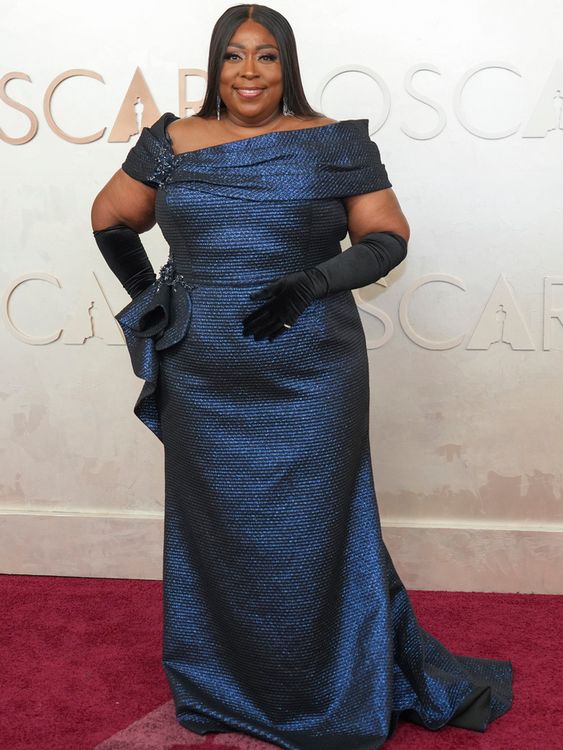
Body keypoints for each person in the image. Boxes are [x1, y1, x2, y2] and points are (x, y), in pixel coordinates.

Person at [90, 5, 513, 749]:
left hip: (310, 377)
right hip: (202, 380)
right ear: (213, 65)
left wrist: (310, 285)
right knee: (217, 534)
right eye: (232, 56)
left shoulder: (333, 142)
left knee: (312, 532)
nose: (247, 73)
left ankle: (327, 690)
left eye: (264, 57)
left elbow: (387, 237)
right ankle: (225, 687)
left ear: (287, 66)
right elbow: (109, 217)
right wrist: (150, 299)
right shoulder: (169, 143)